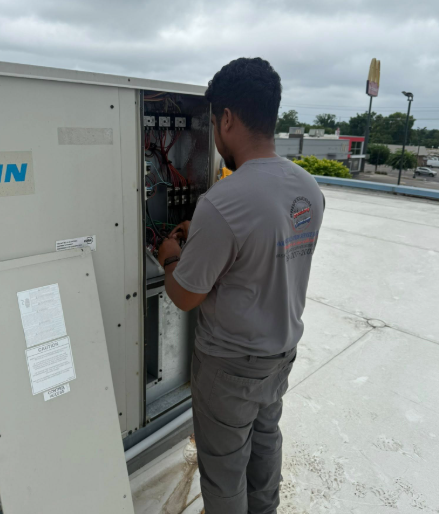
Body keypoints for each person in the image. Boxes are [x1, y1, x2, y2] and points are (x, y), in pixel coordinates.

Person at [158, 57, 325, 514]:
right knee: (265, 444)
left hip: (230, 367)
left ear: (227, 119)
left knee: (224, 467)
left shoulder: (224, 202)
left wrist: (171, 256)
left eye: (213, 123)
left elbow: (185, 295)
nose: (213, 135)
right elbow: (267, 253)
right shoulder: (308, 188)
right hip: (280, 356)